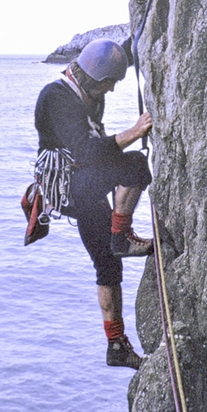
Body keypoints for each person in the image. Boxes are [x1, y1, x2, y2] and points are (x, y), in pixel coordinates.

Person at [34, 38, 153, 370]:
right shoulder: (56, 98)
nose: (111, 90)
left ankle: (116, 345)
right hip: (73, 187)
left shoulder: (86, 83)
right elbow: (86, 150)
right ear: (90, 76)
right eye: (108, 84)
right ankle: (122, 235)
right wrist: (134, 132)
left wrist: (138, 35)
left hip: (86, 186)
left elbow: (120, 55)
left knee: (108, 265)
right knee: (134, 166)